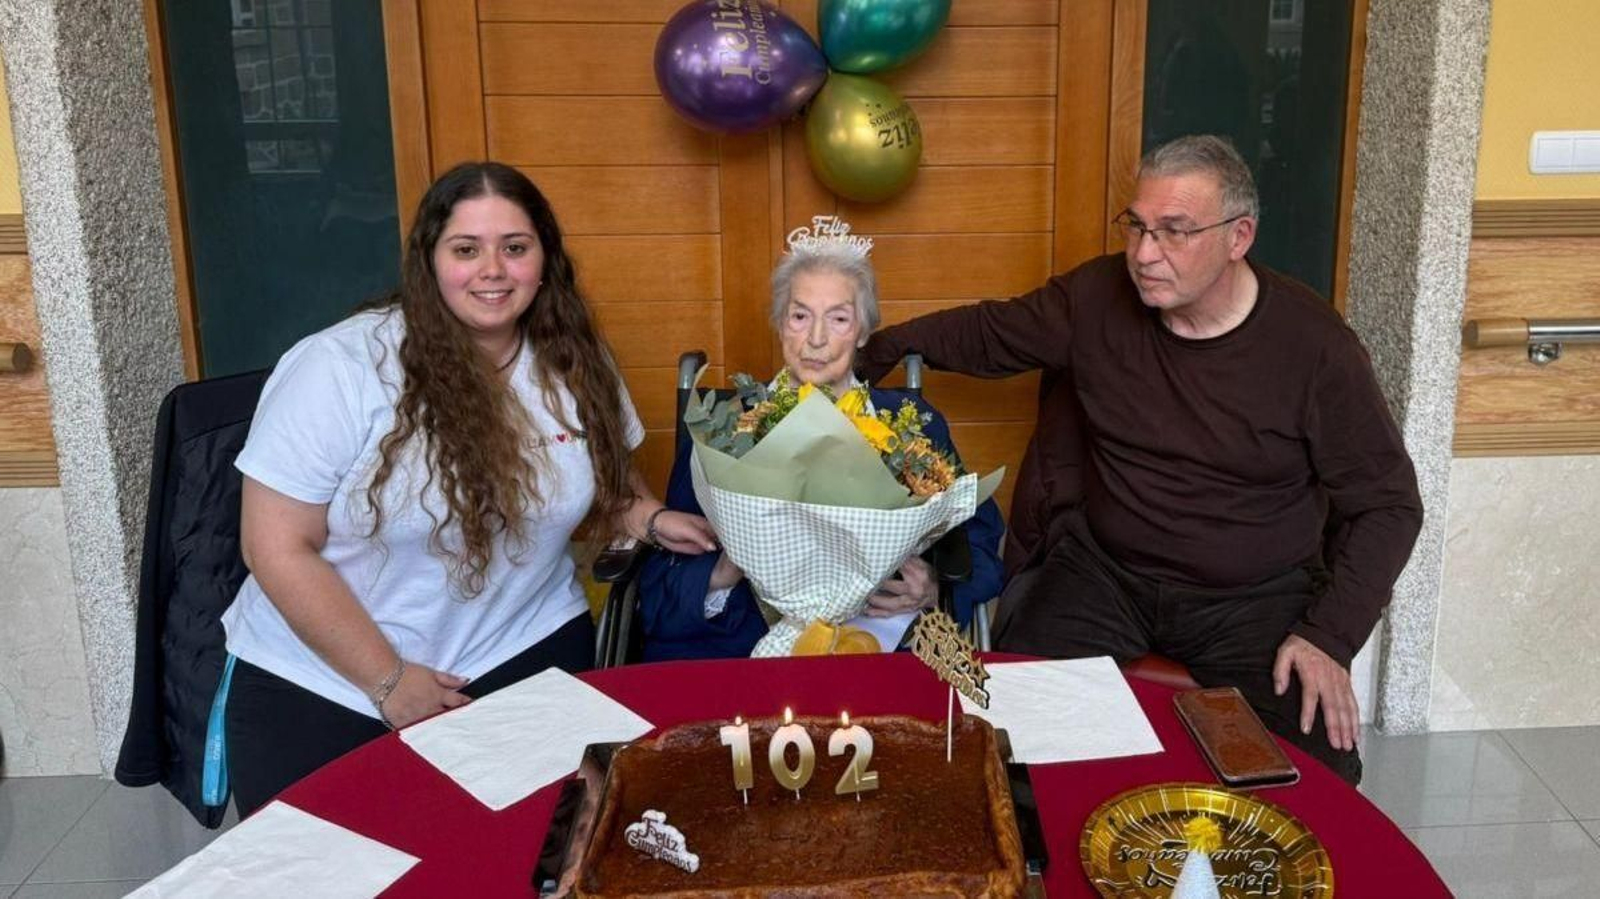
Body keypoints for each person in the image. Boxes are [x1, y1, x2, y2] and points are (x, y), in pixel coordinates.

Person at [856, 136, 1422, 784]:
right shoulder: (1097, 297)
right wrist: (872, 351)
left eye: (1174, 232)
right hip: (1105, 572)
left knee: (1311, 771)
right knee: (1015, 739)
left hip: (1254, 596)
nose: (1145, 254)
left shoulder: (1314, 348)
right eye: (1138, 227)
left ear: (1238, 237)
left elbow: (1389, 504)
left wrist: (1329, 633)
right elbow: (991, 333)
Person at [221, 162, 718, 815]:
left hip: (521, 646)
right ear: (429, 260)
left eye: (514, 247)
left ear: (545, 260)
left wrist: (649, 516)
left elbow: (606, 479)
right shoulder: (340, 367)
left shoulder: (573, 358)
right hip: (330, 679)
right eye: (466, 249)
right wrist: (388, 681)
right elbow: (274, 546)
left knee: (536, 854)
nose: (493, 270)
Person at [636, 216, 1005, 661]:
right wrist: (724, 571)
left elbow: (979, 545)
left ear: (863, 331)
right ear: (780, 323)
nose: (815, 338)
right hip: (741, 644)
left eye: (839, 319)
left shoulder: (915, 429)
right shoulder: (722, 431)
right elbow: (659, 583)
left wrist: (934, 587)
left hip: (879, 642)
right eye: (800, 316)